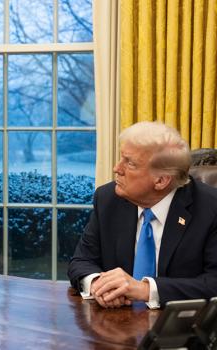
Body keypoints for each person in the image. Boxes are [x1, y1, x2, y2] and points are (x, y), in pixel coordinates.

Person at [68, 121, 217, 309]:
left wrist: (145, 290)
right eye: (121, 158)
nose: (117, 168)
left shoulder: (210, 209)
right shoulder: (108, 199)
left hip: (182, 330)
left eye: (129, 163)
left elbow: (213, 282)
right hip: (116, 326)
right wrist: (99, 284)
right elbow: (81, 261)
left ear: (161, 181)